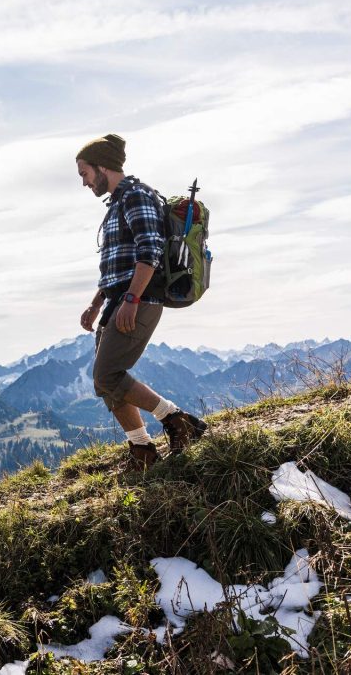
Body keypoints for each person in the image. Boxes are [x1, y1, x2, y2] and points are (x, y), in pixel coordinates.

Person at [75, 133, 207, 469]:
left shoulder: (137, 196)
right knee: (106, 385)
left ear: (102, 167)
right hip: (118, 299)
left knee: (107, 376)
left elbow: (149, 252)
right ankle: (143, 449)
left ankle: (179, 420)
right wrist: (96, 302)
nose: (85, 183)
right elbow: (117, 263)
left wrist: (133, 298)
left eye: (85, 174)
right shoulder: (118, 204)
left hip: (140, 299)